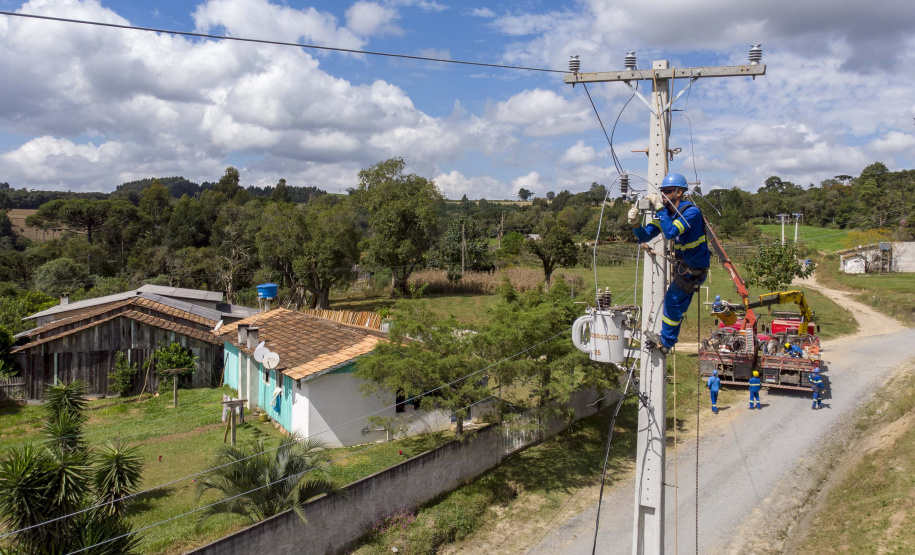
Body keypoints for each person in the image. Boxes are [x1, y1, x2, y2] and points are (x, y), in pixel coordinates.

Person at [628, 172, 711, 355]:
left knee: (672, 302)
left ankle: (666, 342)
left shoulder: (691, 213)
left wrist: (659, 208)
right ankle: (667, 339)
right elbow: (645, 236)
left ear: (679, 192)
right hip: (686, 269)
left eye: (668, 191)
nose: (663, 195)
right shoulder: (667, 214)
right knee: (675, 304)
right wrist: (635, 225)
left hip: (694, 270)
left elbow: (671, 232)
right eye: (662, 191)